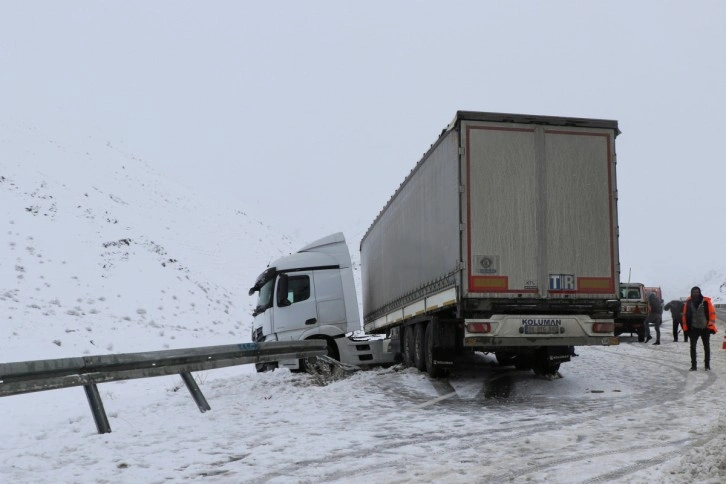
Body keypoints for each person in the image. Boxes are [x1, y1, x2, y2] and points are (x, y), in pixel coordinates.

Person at [681, 286, 718, 371]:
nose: (696, 293)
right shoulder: (688, 303)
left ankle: (707, 365)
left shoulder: (706, 302)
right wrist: (685, 329)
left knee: (707, 347)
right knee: (692, 347)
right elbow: (684, 316)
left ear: (700, 292)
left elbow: (712, 314)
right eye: (694, 292)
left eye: (697, 292)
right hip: (693, 329)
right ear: (691, 293)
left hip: (705, 328)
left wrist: (710, 325)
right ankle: (694, 366)